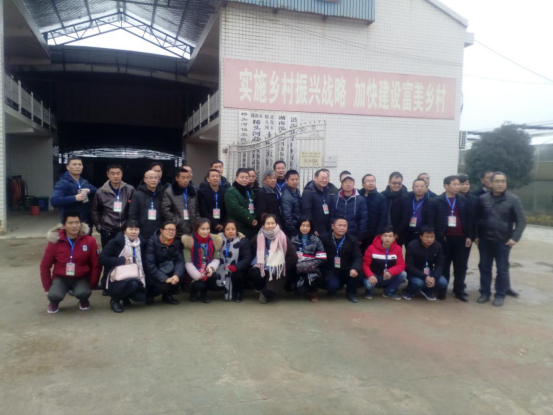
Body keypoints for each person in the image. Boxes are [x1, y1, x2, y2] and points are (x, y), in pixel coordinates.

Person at [476, 172, 526, 307]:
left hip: (503, 241)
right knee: (484, 267)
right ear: (490, 183)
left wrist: (514, 238)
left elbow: (521, 221)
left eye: (503, 181)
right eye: (497, 181)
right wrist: (476, 236)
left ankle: (500, 294)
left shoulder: (513, 199)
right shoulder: (483, 199)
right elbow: (477, 218)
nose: (500, 184)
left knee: (502, 269)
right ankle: (485, 293)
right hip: (485, 240)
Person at [40, 211, 101, 314]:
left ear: (81, 224)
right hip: (61, 277)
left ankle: (83, 300)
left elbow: (96, 264)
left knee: (84, 293)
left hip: (81, 277)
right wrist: (47, 287)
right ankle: (54, 302)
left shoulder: (89, 241)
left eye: (77, 222)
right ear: (64, 225)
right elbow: (44, 266)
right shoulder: (55, 241)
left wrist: (92, 284)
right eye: (70, 223)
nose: (74, 226)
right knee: (54, 295)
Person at [431, 175, 474, 302]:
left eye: (458, 184)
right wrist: (434, 237)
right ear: (446, 186)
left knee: (460, 265)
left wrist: (469, 236)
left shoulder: (464, 200)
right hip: (443, 238)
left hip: (461, 238)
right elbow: (431, 220)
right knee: (443, 264)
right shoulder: (436, 201)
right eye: (454, 184)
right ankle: (441, 290)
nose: (457, 187)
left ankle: (459, 290)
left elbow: (470, 220)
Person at [98, 221, 147, 313]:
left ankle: (125, 296)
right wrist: (121, 260)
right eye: (130, 229)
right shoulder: (115, 242)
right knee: (133, 284)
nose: (133, 232)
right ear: (125, 230)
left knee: (141, 297)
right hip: (116, 278)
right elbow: (102, 259)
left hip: (136, 275)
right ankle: (115, 300)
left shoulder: (142, 244)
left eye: (136, 229)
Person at [248, 214, 297, 304]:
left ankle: (265, 291)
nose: (270, 226)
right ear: (263, 225)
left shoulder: (283, 237)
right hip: (262, 267)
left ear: (276, 224)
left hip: (278, 270)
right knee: (254, 274)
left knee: (269, 294)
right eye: (268, 223)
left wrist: (281, 267)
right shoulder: (259, 236)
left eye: (272, 223)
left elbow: (293, 257)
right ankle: (261, 288)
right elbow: (250, 247)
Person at [91, 163, 135, 248]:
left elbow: (134, 209)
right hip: (107, 230)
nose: (115, 176)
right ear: (108, 174)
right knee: (108, 254)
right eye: (112, 173)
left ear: (122, 174)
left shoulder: (130, 190)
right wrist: (99, 227)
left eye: (118, 173)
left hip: (125, 230)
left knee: (125, 254)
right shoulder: (100, 192)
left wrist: (131, 225)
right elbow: (95, 211)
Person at [320, 217, 363, 303]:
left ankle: (351, 292)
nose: (342, 228)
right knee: (332, 286)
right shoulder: (324, 238)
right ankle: (333, 289)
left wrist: (355, 268)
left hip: (346, 268)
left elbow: (358, 257)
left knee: (357, 274)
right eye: (339, 225)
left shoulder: (352, 240)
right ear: (333, 226)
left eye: (344, 226)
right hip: (330, 269)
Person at [143, 221, 184, 305]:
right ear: (161, 230)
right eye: (168, 229)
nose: (171, 232)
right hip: (155, 272)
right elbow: (150, 265)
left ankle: (167, 296)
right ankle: (150, 295)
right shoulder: (152, 242)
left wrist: (176, 274)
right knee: (164, 286)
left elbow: (180, 260)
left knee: (180, 275)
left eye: (173, 230)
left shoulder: (176, 242)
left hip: (169, 268)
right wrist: (165, 278)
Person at [182, 218, 223, 303]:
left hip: (207, 269)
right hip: (194, 270)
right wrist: (197, 275)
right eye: (203, 229)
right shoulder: (189, 241)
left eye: (208, 229)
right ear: (197, 229)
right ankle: (193, 293)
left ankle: (204, 294)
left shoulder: (214, 240)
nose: (205, 231)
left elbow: (216, 258)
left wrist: (211, 268)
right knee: (198, 285)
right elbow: (188, 262)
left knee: (213, 277)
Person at [403, 226, 447, 301]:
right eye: (427, 237)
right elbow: (409, 266)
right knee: (418, 283)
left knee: (443, 282)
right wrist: (424, 277)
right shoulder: (412, 246)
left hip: (430, 272)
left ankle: (427, 290)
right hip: (415, 272)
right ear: (421, 236)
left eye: (432, 237)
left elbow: (440, 265)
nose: (429, 239)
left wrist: (434, 277)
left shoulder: (438, 246)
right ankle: (410, 291)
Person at [362, 227, 407, 300]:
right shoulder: (371, 248)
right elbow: (365, 265)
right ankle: (369, 292)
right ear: (381, 237)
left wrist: (391, 271)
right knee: (369, 285)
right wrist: (370, 275)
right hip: (375, 276)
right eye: (385, 236)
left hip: (388, 276)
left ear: (394, 238)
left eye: (390, 236)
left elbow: (401, 265)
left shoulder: (398, 248)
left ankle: (388, 292)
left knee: (403, 274)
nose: (387, 238)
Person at [290, 216, 327, 302]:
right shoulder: (293, 240)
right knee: (300, 291)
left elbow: (322, 258)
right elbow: (289, 256)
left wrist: (309, 264)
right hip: (297, 269)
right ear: (299, 226)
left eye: (307, 226)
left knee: (313, 278)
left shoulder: (316, 240)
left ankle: (314, 292)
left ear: (311, 227)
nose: (305, 228)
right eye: (303, 225)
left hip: (312, 269)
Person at [51, 156, 97, 226]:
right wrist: (75, 198)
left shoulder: (84, 182)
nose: (77, 166)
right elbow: (54, 201)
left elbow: (98, 190)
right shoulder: (63, 183)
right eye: (74, 164)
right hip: (71, 223)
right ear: (68, 167)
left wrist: (89, 190)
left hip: (86, 222)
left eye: (80, 164)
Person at [215, 220, 252, 302]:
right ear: (224, 230)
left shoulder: (243, 241)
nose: (230, 231)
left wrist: (236, 266)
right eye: (227, 229)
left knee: (238, 275)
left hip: (237, 268)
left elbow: (247, 258)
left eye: (233, 229)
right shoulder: (218, 239)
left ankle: (239, 292)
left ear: (236, 230)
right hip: (221, 267)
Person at [161, 168, 199, 237]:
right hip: (178, 230)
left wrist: (197, 221)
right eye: (183, 178)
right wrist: (178, 222)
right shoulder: (169, 192)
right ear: (177, 178)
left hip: (193, 229)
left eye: (187, 178)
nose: (186, 180)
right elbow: (165, 211)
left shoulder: (193, 191)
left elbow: (197, 209)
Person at [129, 170, 165, 241]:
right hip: (142, 234)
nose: (153, 180)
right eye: (150, 178)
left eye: (155, 178)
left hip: (159, 233)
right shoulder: (137, 195)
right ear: (145, 180)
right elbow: (133, 215)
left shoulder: (162, 194)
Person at [330, 175, 368, 241]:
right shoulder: (335, 198)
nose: (348, 184)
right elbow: (331, 216)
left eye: (350, 182)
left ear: (353, 184)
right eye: (345, 182)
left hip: (353, 234)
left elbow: (363, 219)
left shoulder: (360, 200)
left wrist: (360, 236)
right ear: (342, 184)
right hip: (337, 233)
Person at [225, 168, 258, 239]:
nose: (244, 179)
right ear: (236, 178)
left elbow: (254, 205)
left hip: (250, 225)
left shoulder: (249, 191)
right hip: (238, 226)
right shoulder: (231, 191)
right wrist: (250, 219)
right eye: (242, 177)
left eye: (246, 177)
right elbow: (235, 208)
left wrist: (254, 218)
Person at [397, 178, 431, 245]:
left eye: (422, 186)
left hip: (423, 234)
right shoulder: (407, 199)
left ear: (426, 188)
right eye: (417, 186)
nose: (419, 188)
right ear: (412, 188)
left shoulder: (430, 201)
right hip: (408, 233)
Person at [359, 174, 388, 253]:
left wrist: (377, 235)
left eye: (373, 181)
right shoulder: (358, 196)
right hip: (359, 234)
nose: (371, 183)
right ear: (363, 184)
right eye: (368, 181)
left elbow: (383, 218)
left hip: (373, 234)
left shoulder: (381, 197)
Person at [301, 169, 332, 236]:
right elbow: (306, 212)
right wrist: (313, 228)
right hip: (315, 229)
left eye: (326, 178)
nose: (324, 180)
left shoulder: (327, 191)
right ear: (315, 178)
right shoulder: (308, 192)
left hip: (326, 227)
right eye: (322, 178)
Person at [198, 169, 227, 233]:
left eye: (217, 176)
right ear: (208, 179)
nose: (215, 178)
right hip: (208, 225)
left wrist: (223, 223)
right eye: (213, 176)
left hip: (222, 225)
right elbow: (203, 210)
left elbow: (226, 209)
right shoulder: (202, 192)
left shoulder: (225, 191)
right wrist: (215, 223)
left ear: (220, 178)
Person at [280, 169, 302, 237]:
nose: (295, 181)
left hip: (298, 225)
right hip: (292, 229)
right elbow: (287, 217)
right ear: (286, 180)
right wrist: (293, 232)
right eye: (292, 180)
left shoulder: (297, 191)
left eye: (296, 179)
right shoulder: (286, 196)